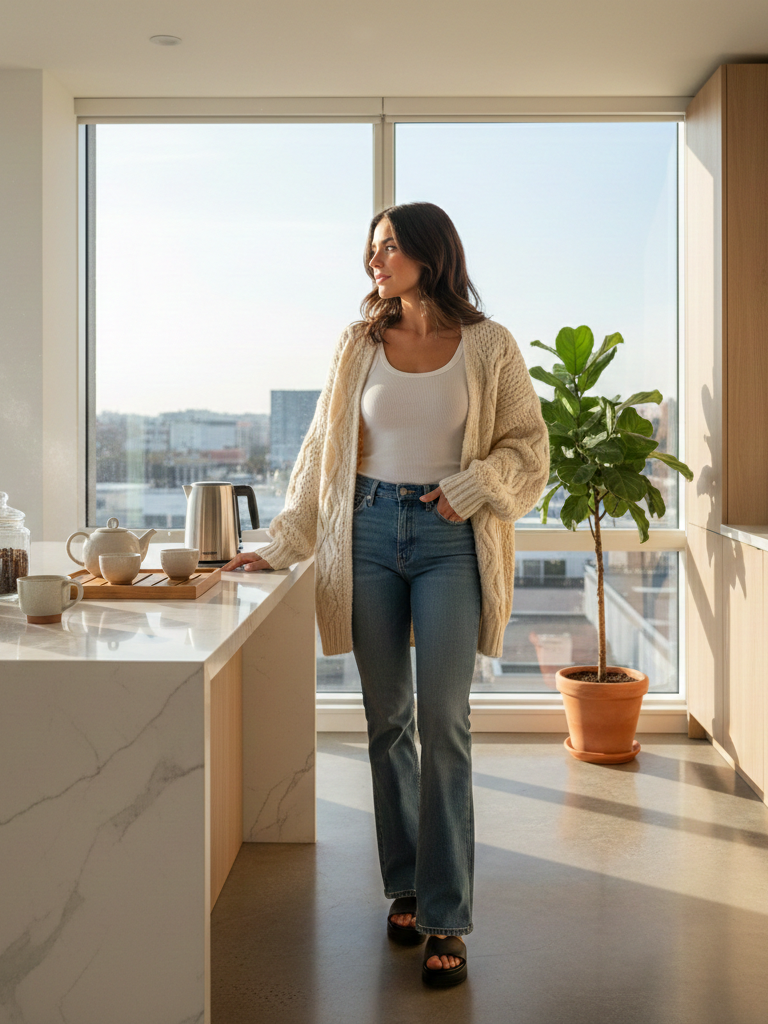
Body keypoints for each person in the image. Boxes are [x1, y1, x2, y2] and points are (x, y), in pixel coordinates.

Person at [223, 202, 549, 987]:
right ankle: (403, 887)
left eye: (390, 247)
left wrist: (471, 486)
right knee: (388, 722)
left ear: (430, 254)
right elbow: (322, 454)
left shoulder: (489, 346)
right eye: (371, 249)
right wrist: (280, 543)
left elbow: (529, 451)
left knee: (445, 722)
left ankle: (447, 916)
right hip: (365, 534)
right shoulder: (357, 344)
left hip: (448, 541)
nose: (376, 261)